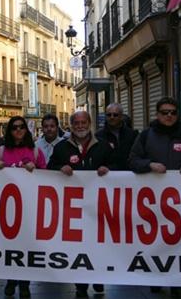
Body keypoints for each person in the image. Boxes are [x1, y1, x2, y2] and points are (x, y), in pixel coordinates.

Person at [128, 97, 181, 299]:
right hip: (152, 202)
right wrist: (149, 165)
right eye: (165, 112)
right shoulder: (146, 135)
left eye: (173, 112)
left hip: (180, 202)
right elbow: (132, 160)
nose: (169, 116)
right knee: (155, 242)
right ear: (157, 114)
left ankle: (178, 284)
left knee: (178, 242)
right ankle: (156, 279)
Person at [46, 110, 113, 297]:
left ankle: (99, 278)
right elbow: (49, 168)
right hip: (73, 209)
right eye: (76, 123)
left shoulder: (104, 146)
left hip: (99, 207)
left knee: (99, 244)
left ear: (89, 123)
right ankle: (81, 286)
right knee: (79, 247)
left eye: (84, 122)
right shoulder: (61, 148)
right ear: (71, 125)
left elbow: (119, 167)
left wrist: (108, 169)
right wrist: (60, 167)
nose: (80, 126)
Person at [0, 116, 46, 298]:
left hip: (30, 208)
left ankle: (24, 283)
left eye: (22, 127)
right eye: (14, 128)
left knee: (27, 246)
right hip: (6, 209)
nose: (18, 130)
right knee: (9, 246)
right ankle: (11, 279)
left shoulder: (36, 152)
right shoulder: (0, 151)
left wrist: (36, 170)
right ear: (9, 131)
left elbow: (49, 180)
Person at [95, 103, 138, 170]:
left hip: (129, 175)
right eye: (109, 115)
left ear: (121, 116)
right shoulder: (99, 135)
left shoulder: (132, 135)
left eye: (115, 115)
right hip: (107, 175)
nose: (112, 117)